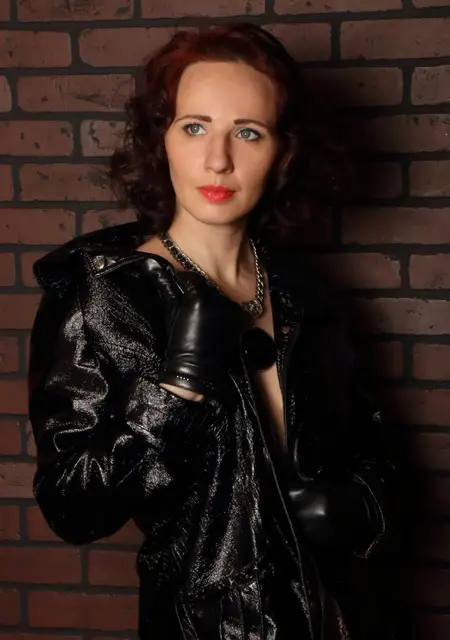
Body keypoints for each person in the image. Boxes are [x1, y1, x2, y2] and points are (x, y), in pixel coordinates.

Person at [28, 23, 397, 640]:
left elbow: (372, 442)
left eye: (247, 132)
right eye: (194, 127)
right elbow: (71, 507)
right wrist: (176, 390)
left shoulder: (303, 295)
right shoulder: (106, 293)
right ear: (162, 140)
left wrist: (360, 503)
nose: (218, 160)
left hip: (331, 619)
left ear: (282, 153)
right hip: (204, 627)